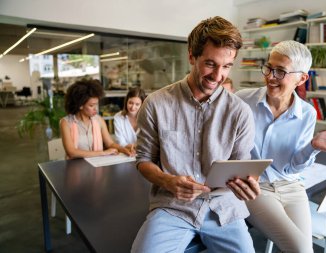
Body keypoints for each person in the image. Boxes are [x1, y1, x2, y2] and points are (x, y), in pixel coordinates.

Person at [132, 16, 260, 253]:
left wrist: (249, 183)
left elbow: (241, 167)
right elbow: (143, 161)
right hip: (173, 206)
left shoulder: (240, 112)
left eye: (227, 66)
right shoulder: (156, 104)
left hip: (223, 208)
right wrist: (167, 180)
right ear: (191, 55)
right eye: (210, 64)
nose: (218, 75)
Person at [236, 40, 326, 252]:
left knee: (305, 250)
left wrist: (313, 147)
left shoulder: (307, 113)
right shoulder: (242, 100)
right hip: (256, 188)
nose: (270, 77)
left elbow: (292, 168)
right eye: (269, 68)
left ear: (302, 78)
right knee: (300, 249)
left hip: (292, 187)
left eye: (281, 71)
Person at [60, 79, 134, 159]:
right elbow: (72, 152)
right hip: (75, 168)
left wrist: (124, 149)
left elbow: (109, 144)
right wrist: (103, 153)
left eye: (96, 105)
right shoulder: (66, 123)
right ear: (80, 105)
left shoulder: (99, 120)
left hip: (96, 166)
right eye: (91, 105)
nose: (96, 109)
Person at [113, 87, 145, 155]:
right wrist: (133, 147)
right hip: (126, 154)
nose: (133, 107)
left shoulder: (147, 118)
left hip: (143, 154)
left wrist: (136, 148)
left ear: (142, 104)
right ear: (126, 101)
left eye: (137, 104)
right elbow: (121, 142)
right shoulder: (118, 117)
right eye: (130, 103)